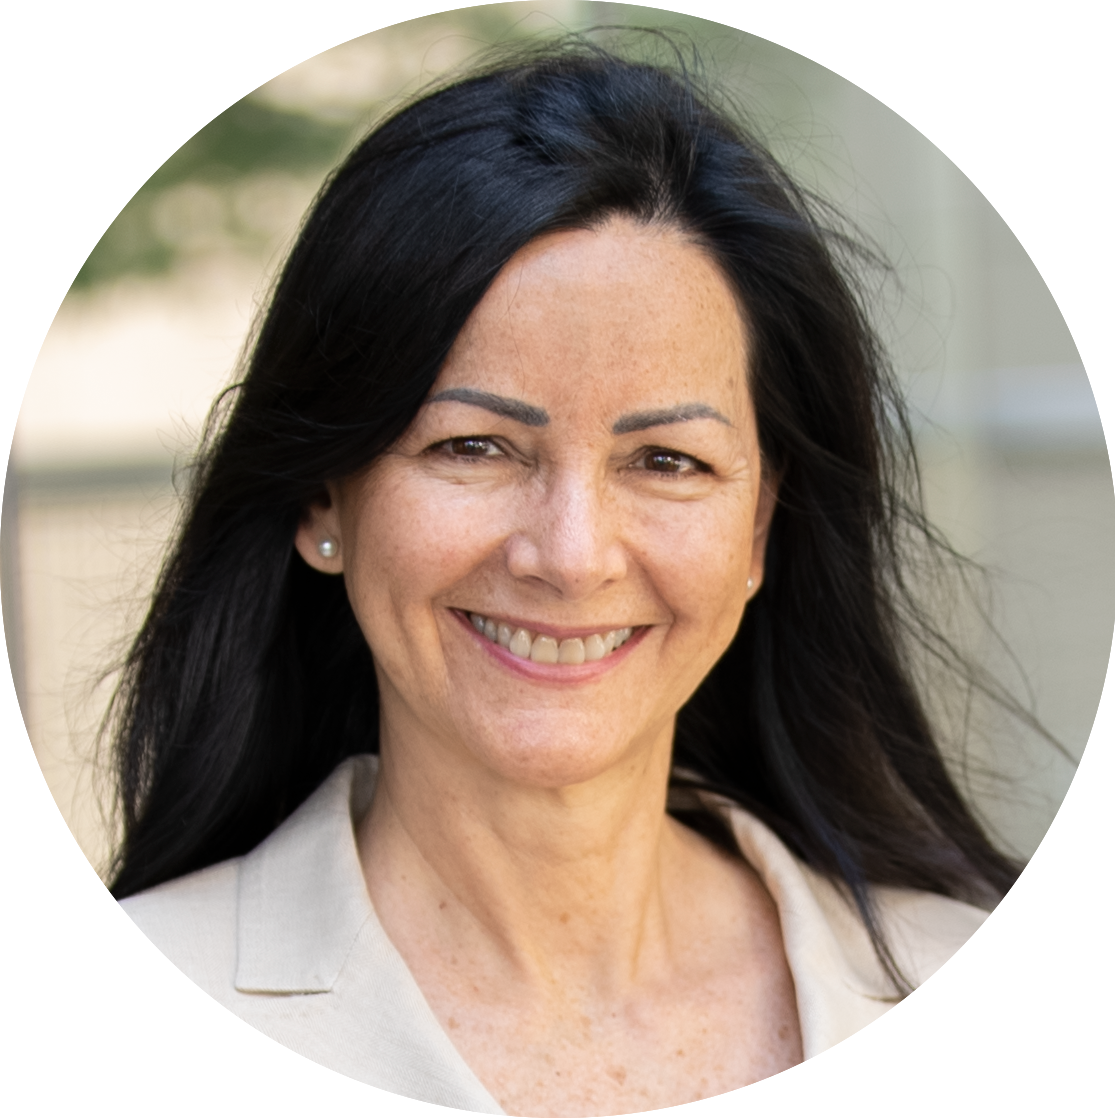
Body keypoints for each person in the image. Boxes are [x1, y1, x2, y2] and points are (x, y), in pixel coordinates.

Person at [107, 31, 1075, 1117]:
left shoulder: (988, 1000)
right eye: (472, 446)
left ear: (758, 526)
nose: (569, 554)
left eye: (666, 460)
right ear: (321, 498)